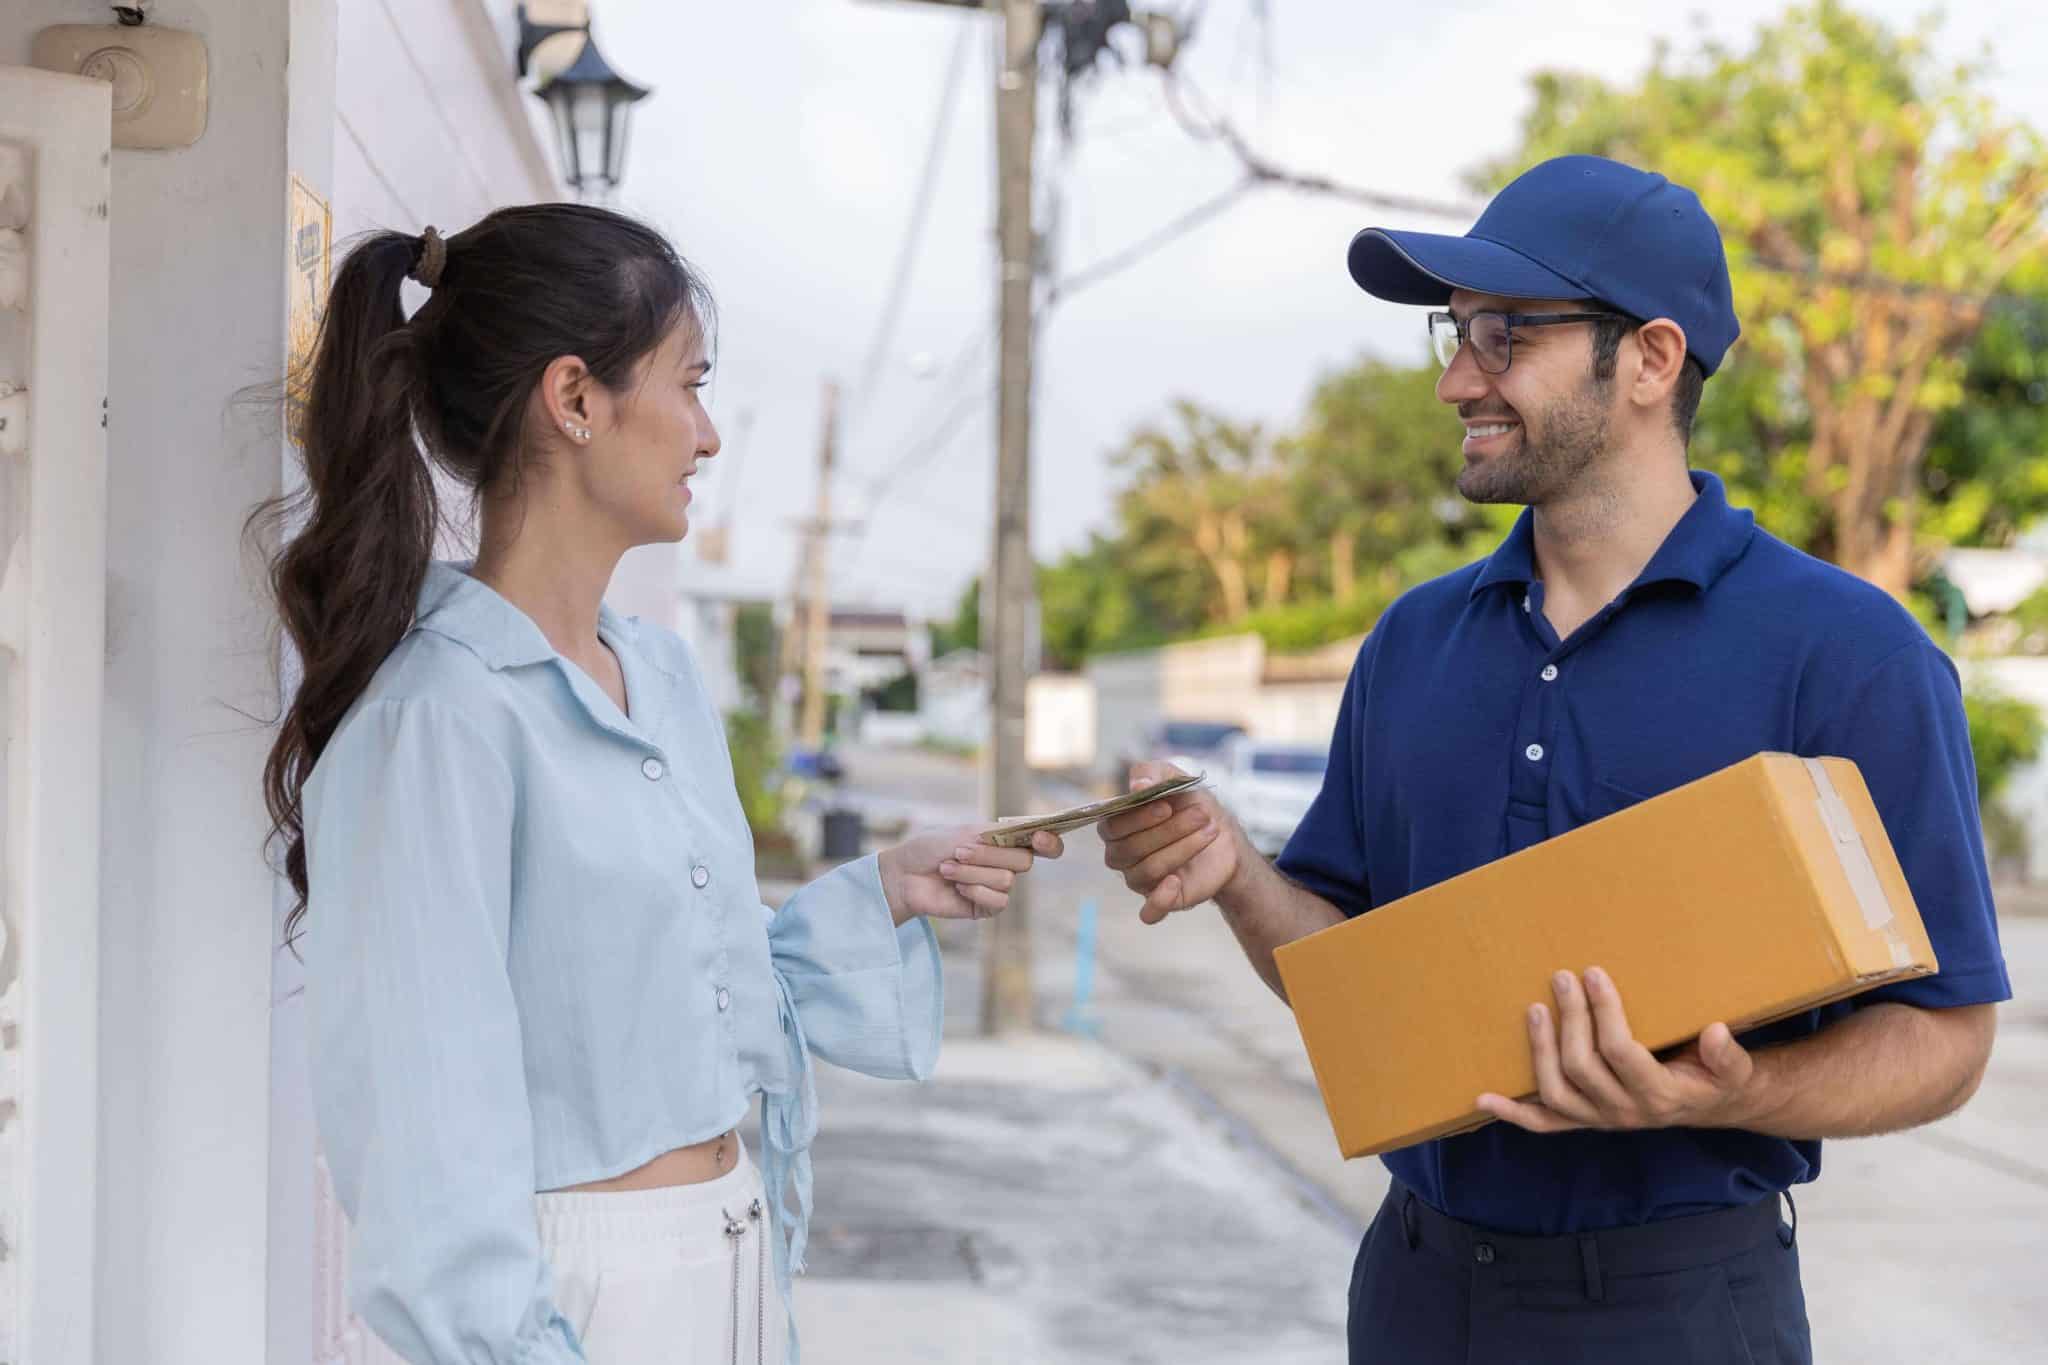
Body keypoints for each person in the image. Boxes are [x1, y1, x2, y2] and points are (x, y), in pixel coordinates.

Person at [1099, 156, 2005, 1364]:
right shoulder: (1412, 643)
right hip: (1414, 1287)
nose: (1452, 378)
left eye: (1503, 335)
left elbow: (1944, 1040)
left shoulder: (1847, 655)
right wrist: (1238, 877)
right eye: (1455, 332)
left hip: (1676, 1308)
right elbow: (1366, 994)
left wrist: (1728, 1095)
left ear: (1648, 360)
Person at [253, 204, 1061, 1365]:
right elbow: (429, 1167)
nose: (709, 435)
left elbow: (697, 1003)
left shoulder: (663, 677)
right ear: (575, 398)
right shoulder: (437, 722)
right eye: (690, 385)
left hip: (729, 1263)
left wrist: (883, 887)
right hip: (566, 1301)